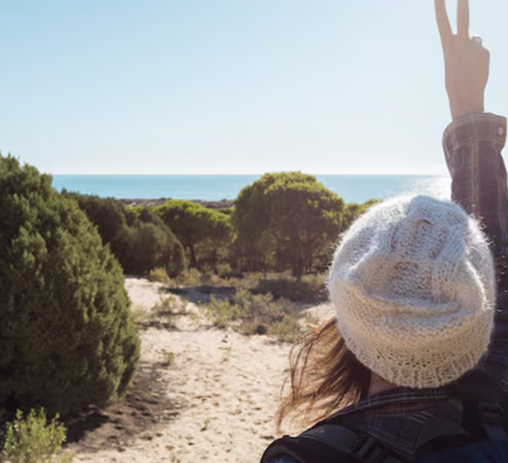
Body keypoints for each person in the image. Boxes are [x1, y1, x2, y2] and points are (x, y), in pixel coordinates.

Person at [261, 0, 508, 462]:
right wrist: (468, 111)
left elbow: (494, 266)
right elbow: (492, 262)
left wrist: (466, 109)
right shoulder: (499, 408)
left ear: (347, 322)